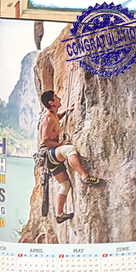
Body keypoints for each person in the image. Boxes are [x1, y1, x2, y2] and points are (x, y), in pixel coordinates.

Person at [38, 87, 101, 224]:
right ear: (51, 102)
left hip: (48, 158)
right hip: (48, 153)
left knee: (65, 184)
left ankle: (59, 214)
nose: (59, 98)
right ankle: (84, 176)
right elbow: (45, 140)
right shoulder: (48, 118)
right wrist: (60, 144)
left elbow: (57, 117)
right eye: (56, 97)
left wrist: (67, 111)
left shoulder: (52, 113)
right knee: (69, 149)